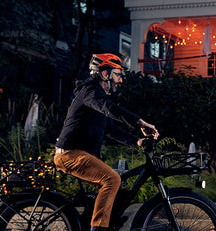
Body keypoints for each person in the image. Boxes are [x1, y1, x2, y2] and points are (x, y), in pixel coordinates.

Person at [53, 53, 159, 231]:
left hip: (81, 155)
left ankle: (93, 223)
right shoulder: (90, 92)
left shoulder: (97, 97)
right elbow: (110, 110)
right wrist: (139, 122)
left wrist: (138, 142)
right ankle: (98, 228)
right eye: (117, 74)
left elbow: (110, 129)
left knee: (116, 188)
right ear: (104, 74)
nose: (120, 80)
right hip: (69, 155)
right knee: (111, 179)